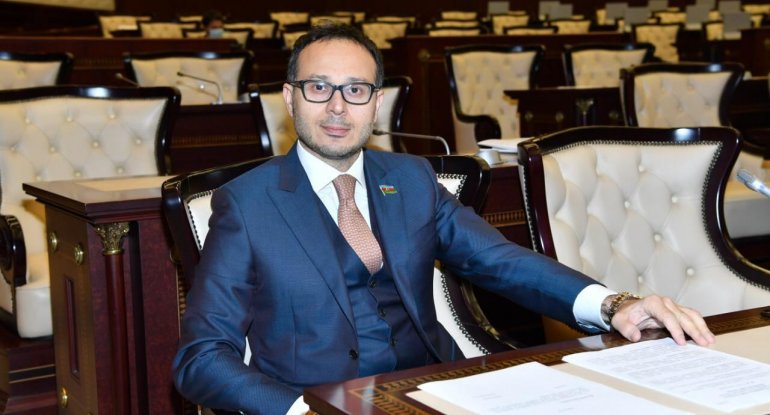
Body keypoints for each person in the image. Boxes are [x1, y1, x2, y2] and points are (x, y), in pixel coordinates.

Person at [172, 23, 715, 415]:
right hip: (316, 400)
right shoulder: (246, 204)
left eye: (355, 90)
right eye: (319, 88)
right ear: (290, 98)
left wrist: (615, 305)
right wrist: (300, 411)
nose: (338, 107)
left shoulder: (410, 178)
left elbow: (500, 261)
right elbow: (201, 357)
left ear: (376, 103)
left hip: (431, 392)